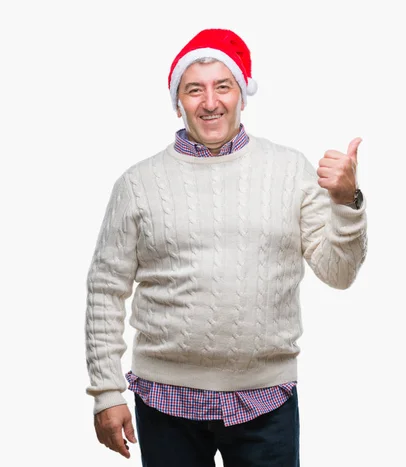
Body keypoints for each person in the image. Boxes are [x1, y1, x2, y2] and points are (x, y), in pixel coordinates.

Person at [85, 27, 367, 467]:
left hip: (265, 402)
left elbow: (339, 272)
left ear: (241, 94)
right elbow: (105, 288)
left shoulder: (290, 171)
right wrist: (106, 393)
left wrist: (347, 202)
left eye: (223, 86)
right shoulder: (138, 185)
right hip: (165, 403)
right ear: (178, 100)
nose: (210, 102)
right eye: (194, 89)